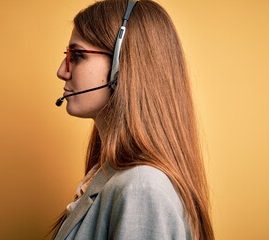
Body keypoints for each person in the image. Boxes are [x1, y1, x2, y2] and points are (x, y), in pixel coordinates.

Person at [52, 0, 214, 239]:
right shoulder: (107, 176)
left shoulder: (142, 187)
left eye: (77, 56)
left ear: (121, 63)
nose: (62, 71)